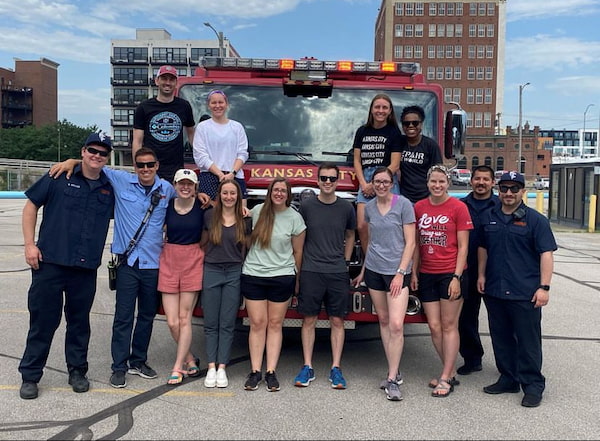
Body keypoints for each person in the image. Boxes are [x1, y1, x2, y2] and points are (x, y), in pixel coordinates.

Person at [49, 148, 176, 389]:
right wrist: (71, 160)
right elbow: (94, 164)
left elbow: (186, 199)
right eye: (141, 165)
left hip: (153, 264)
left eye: (150, 165)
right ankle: (119, 367)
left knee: (147, 316)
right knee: (123, 317)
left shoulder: (167, 189)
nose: (145, 169)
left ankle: (139, 360)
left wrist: (203, 197)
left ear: (157, 165)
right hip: (127, 263)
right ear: (135, 167)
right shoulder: (121, 180)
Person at [18, 132, 115, 400]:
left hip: (84, 269)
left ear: (107, 158)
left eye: (102, 153)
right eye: (92, 150)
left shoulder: (109, 188)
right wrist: (29, 244)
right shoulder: (59, 177)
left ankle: (77, 371)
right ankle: (30, 375)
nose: (97, 156)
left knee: (79, 323)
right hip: (49, 263)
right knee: (43, 322)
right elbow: (30, 207)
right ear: (83, 152)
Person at [477, 171, 557, 408]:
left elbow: (546, 254)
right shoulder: (489, 216)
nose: (508, 193)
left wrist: (544, 287)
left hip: (525, 292)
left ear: (523, 191)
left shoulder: (536, 221)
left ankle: (532, 385)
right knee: (501, 338)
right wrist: (481, 275)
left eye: (514, 189)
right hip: (495, 289)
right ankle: (509, 378)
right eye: (504, 189)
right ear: (498, 190)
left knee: (528, 341)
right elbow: (483, 248)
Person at [352, 166, 415, 401]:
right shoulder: (368, 209)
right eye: (376, 181)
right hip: (375, 271)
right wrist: (363, 271)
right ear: (372, 183)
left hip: (396, 273)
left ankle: (392, 381)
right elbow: (374, 242)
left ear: (392, 182)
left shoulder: (404, 205)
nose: (380, 185)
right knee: (384, 320)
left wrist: (400, 273)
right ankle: (393, 372)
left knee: (397, 324)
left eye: (385, 181)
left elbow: (410, 243)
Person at [293, 163, 356, 390]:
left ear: (337, 181)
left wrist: (346, 262)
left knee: (337, 320)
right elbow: (299, 238)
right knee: (308, 319)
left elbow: (351, 234)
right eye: (324, 178)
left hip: (337, 271)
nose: (328, 182)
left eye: (331, 178)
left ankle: (335, 368)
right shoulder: (307, 207)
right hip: (311, 270)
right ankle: (307, 366)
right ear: (317, 181)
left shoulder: (346, 208)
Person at [411, 164, 472, 398]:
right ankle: (450, 370)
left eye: (441, 182)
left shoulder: (458, 208)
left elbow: (464, 246)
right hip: (427, 273)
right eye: (433, 181)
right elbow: (417, 243)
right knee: (434, 326)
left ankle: (445, 377)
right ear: (427, 182)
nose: (437, 185)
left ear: (448, 183)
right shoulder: (419, 207)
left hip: (450, 273)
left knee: (449, 325)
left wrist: (457, 277)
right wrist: (415, 272)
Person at [241, 178, 306, 392]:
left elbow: (298, 252)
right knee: (257, 323)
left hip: (282, 276)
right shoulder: (257, 211)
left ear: (288, 195)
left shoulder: (295, 218)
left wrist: (296, 279)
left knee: (275, 324)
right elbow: (243, 230)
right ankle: (255, 371)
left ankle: (270, 371)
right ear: (269, 192)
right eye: (275, 190)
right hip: (254, 274)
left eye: (283, 191)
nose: (279, 194)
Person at [200, 179, 252, 388]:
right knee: (211, 323)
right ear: (219, 195)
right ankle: (211, 366)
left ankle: (222, 368)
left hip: (233, 272)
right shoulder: (209, 216)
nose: (229, 197)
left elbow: (247, 247)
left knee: (227, 322)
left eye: (233, 193)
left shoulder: (245, 219)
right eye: (225, 193)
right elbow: (202, 243)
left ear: (238, 196)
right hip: (211, 270)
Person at [159, 169, 205, 385]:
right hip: (169, 259)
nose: (185, 187)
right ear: (175, 185)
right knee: (172, 321)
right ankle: (188, 357)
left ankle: (178, 367)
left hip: (192, 259)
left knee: (185, 318)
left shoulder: (203, 207)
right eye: (181, 183)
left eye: (189, 184)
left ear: (195, 187)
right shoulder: (166, 206)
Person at [457, 165, 499, 376]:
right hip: (467, 270)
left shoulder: (502, 206)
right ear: (471, 181)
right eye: (477, 179)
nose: (481, 183)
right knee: (466, 318)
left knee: (500, 320)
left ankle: (507, 365)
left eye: (486, 179)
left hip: (497, 272)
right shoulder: (460, 205)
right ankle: (472, 359)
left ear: (493, 182)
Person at [353, 94, 402, 256]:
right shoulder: (362, 131)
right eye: (377, 107)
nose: (380, 111)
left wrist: (377, 183)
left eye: (384, 108)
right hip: (365, 180)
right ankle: (370, 265)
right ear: (372, 110)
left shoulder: (394, 132)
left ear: (390, 112)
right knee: (362, 225)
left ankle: (391, 263)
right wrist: (364, 184)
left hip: (388, 180)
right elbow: (357, 160)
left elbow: (395, 164)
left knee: (389, 226)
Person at [133, 65, 196, 183]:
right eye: (164, 78)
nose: (168, 83)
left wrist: (202, 159)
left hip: (176, 169)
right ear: (157, 81)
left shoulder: (184, 106)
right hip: (150, 167)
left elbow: (192, 135)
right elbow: (137, 140)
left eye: (171, 79)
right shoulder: (143, 107)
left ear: (176, 83)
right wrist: (138, 166)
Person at [193, 90, 249, 205]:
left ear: (226, 104)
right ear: (208, 105)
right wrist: (219, 174)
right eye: (213, 103)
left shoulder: (237, 127)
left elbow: (242, 153)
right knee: (210, 217)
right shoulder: (202, 127)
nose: (217, 106)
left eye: (220, 102)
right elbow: (200, 156)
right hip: (210, 177)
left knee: (239, 215)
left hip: (235, 175)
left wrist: (232, 173)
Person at [399, 105, 443, 204]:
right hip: (404, 199)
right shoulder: (398, 142)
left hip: (426, 198)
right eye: (406, 123)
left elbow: (438, 173)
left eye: (415, 123)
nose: (411, 126)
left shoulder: (431, 145)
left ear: (421, 124)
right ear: (402, 126)